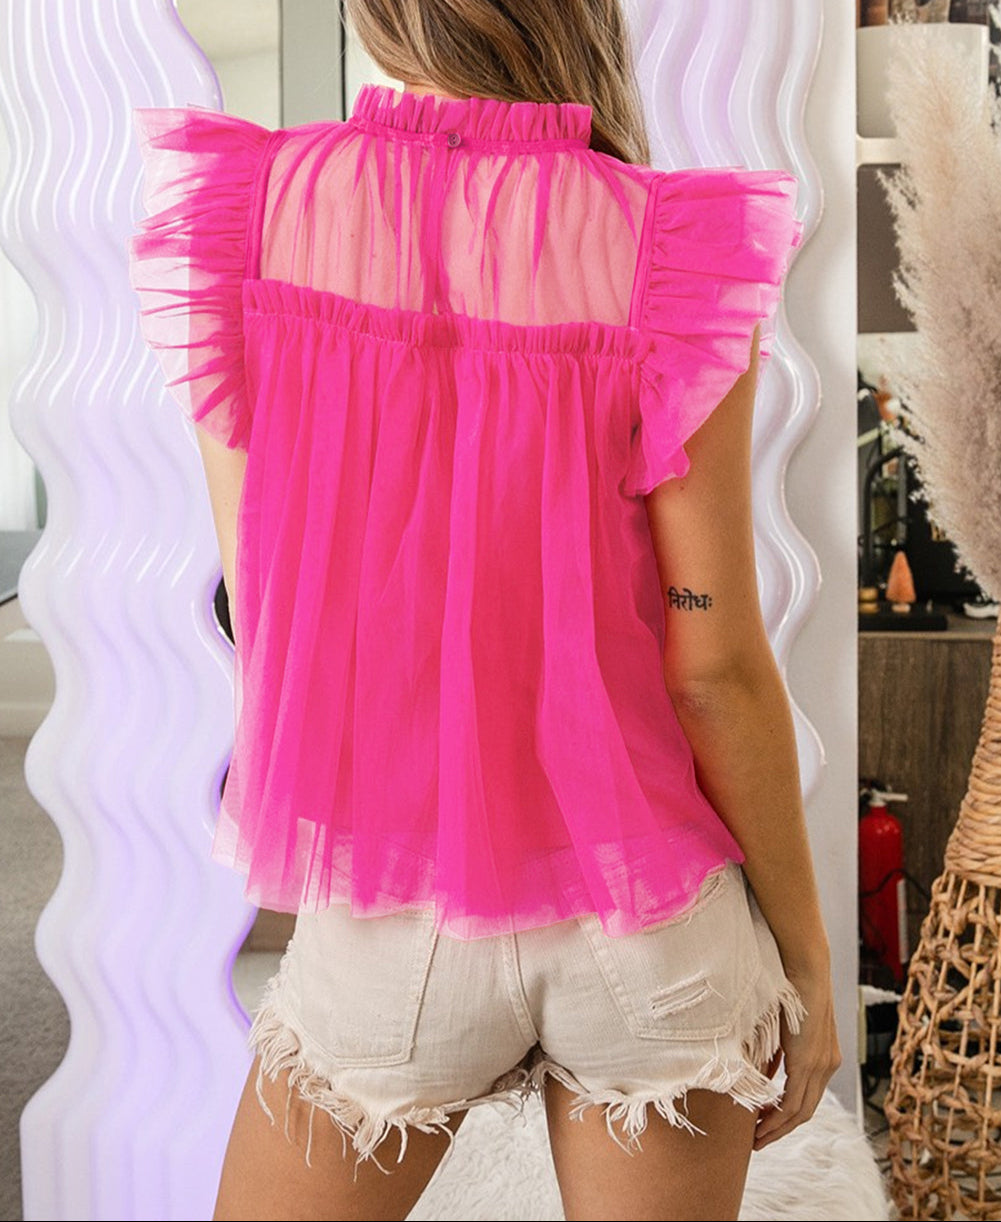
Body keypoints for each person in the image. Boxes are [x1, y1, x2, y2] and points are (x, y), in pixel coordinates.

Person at [128, 1, 841, 1218]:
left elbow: (263, 596)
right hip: (647, 914)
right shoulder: (668, 251)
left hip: (391, 908)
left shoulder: (248, 213)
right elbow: (710, 663)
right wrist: (808, 962)